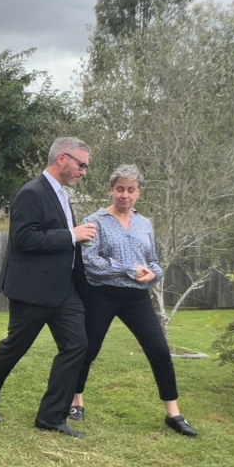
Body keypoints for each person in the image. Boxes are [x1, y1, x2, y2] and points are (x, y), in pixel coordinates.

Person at [0, 137, 97, 437]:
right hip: (32, 289)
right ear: (62, 158)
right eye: (81, 165)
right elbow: (24, 238)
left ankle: (51, 417)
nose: (84, 172)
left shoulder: (63, 195)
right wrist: (71, 235)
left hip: (64, 289)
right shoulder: (31, 192)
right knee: (15, 346)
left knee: (77, 345)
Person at [71, 164, 197, 437]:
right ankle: (75, 400)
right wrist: (130, 269)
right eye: (120, 189)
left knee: (159, 351)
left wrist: (154, 273)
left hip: (137, 298)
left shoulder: (144, 224)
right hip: (102, 295)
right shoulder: (95, 221)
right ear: (111, 190)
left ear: (139, 192)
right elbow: (90, 262)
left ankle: (173, 413)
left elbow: (152, 260)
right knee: (87, 350)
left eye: (130, 189)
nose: (124, 195)